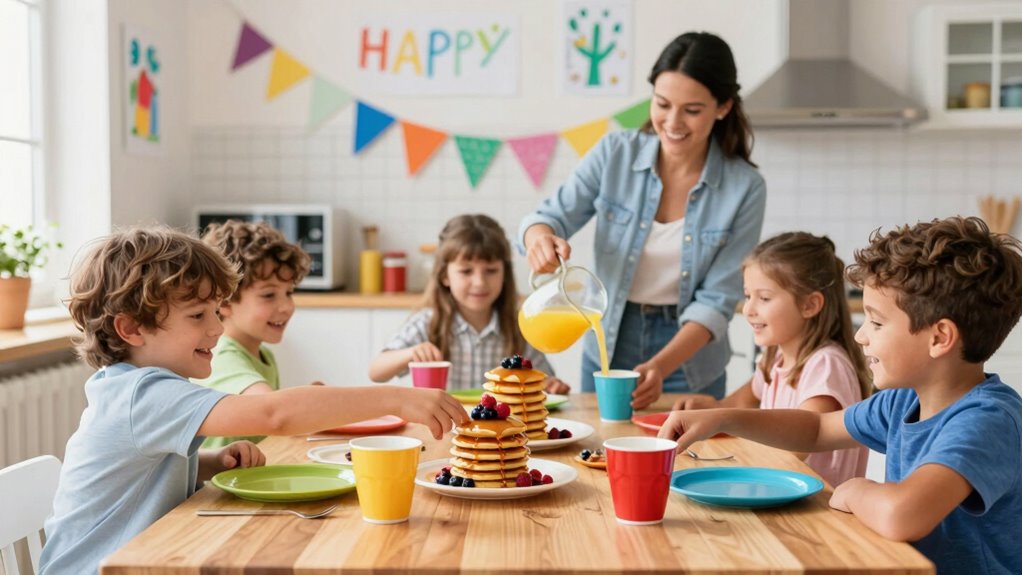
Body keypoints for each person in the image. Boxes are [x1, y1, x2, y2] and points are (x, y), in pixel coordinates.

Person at [40, 227, 468, 575]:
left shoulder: (140, 388)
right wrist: (396, 398)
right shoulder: (142, 393)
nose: (216, 329)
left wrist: (211, 462)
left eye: (215, 312)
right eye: (198, 316)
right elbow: (274, 414)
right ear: (132, 329)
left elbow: (141, 475)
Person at [658, 216, 1022, 574]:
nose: (862, 336)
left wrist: (857, 490)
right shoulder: (903, 401)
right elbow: (816, 429)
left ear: (940, 338)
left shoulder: (987, 420)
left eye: (876, 323)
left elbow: (902, 515)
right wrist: (724, 418)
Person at [519, 31, 766, 408]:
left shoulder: (744, 188)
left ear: (723, 107)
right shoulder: (614, 153)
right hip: (611, 330)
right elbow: (549, 216)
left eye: (692, 110)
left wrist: (662, 366)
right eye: (662, 104)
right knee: (600, 453)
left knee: (688, 458)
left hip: (690, 353)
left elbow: (718, 299)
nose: (672, 121)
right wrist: (540, 238)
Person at [670, 232, 871, 486]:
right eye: (747, 295)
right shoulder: (775, 358)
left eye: (764, 298)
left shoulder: (826, 365)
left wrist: (725, 426)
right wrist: (709, 409)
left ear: (810, 305)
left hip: (820, 514)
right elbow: (739, 403)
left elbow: (799, 445)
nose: (748, 309)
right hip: (783, 499)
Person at [370, 214, 568, 393]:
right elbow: (376, 371)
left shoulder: (519, 327)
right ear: (444, 276)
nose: (480, 282)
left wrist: (552, 386)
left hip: (504, 430)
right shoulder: (429, 324)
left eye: (490, 270)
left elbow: (544, 380)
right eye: (466, 271)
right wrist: (410, 353)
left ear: (504, 274)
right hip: (445, 430)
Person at [192, 219, 316, 449]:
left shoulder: (264, 354)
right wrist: (305, 403)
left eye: (288, 292)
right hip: (220, 483)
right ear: (224, 301)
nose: (286, 306)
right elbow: (274, 412)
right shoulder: (221, 356)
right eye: (269, 295)